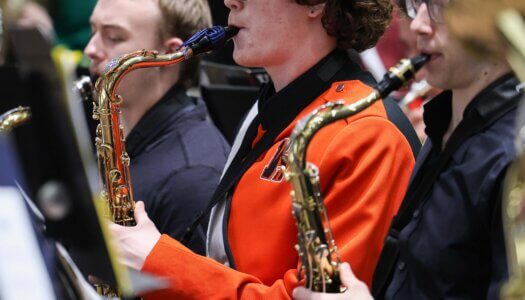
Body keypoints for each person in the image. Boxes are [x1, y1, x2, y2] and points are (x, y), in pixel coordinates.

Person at [109, 0, 421, 298]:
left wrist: (158, 263)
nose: (230, 2)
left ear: (315, 3)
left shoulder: (370, 134)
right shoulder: (268, 107)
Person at [293, 0, 523, 299]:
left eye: (441, 6)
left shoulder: (513, 157)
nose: (418, 25)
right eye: (418, 4)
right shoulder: (445, 122)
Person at [84, 0, 230, 254]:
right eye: (93, 31)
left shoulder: (192, 177)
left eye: (114, 37)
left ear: (168, 56)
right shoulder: (118, 135)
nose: (91, 49)